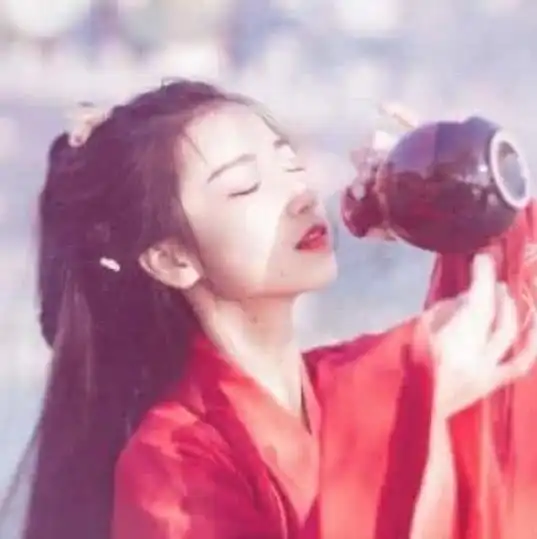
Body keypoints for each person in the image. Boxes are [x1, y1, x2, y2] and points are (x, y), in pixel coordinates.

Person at [14, 80, 535, 539]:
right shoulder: (171, 463)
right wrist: (404, 405)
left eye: (290, 163)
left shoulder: (357, 383)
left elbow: (514, 366)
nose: (300, 195)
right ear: (172, 259)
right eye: (246, 186)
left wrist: (463, 199)